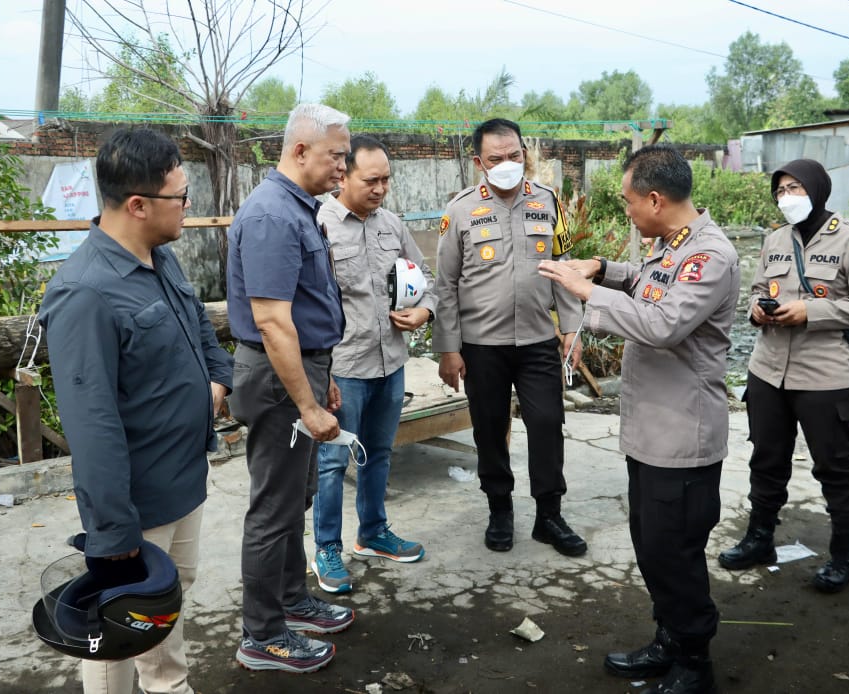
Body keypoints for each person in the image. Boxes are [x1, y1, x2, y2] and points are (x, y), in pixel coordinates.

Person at [39, 128, 234, 694]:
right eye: (180, 195)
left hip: (184, 476)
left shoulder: (159, 257)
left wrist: (218, 379)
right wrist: (112, 527)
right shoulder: (85, 293)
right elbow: (91, 423)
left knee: (166, 594)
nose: (188, 204)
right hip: (137, 497)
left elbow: (197, 321)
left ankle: (168, 684)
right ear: (138, 204)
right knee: (119, 619)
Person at [539, 144, 740, 694]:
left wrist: (585, 291)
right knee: (653, 546)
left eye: (629, 202)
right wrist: (604, 268)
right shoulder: (672, 246)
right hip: (651, 431)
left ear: (655, 198)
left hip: (683, 434)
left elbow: (661, 322)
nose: (627, 212)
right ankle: (668, 639)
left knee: (675, 554)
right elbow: (648, 283)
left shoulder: (710, 256)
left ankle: (695, 663)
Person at [226, 103, 355, 673]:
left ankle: (290, 600)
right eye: (336, 156)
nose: (342, 169)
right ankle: (264, 636)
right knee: (273, 508)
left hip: (300, 370)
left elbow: (302, 312)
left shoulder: (298, 208)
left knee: (293, 498)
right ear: (300, 151)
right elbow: (274, 322)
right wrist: (304, 397)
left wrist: (319, 382)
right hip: (280, 382)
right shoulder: (273, 217)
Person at [717, 159, 849, 593]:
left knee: (837, 468)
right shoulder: (774, 239)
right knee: (766, 460)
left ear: (816, 189)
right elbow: (757, 291)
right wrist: (756, 309)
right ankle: (759, 540)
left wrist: (811, 311)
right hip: (768, 372)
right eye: (780, 190)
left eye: (794, 188)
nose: (786, 197)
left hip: (826, 375)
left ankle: (843, 556)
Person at [432, 118, 586, 557]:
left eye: (514, 156)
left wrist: (571, 329)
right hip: (482, 346)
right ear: (479, 162)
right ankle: (500, 509)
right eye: (496, 158)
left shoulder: (548, 201)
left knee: (545, 424)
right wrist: (448, 349)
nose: (507, 164)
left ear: (525, 154)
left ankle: (549, 516)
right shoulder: (459, 210)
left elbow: (563, 267)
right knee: (490, 429)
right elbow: (445, 285)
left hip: (538, 340)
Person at [310, 135, 435, 593]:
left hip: (391, 363)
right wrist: (317, 375)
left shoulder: (393, 226)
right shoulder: (318, 224)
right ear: (344, 175)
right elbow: (305, 305)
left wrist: (424, 312)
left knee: (379, 454)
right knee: (331, 461)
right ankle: (327, 548)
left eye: (386, 180)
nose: (381, 188)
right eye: (371, 180)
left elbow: (426, 282)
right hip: (344, 366)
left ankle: (373, 532)